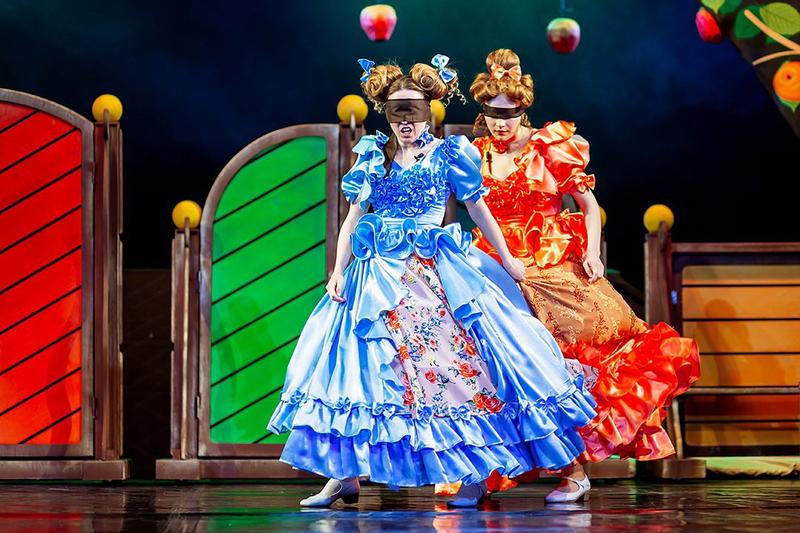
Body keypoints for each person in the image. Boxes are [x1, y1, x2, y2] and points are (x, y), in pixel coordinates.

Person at [267, 55, 597, 508]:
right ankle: (343, 474)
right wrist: (338, 270)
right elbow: (353, 218)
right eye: (397, 112)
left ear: (428, 112)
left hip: (431, 273)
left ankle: (473, 475)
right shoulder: (374, 155)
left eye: (414, 111)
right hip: (375, 277)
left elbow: (478, 208)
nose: (406, 122)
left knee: (453, 371)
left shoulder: (449, 154)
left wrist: (507, 259)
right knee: (357, 370)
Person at [437, 48, 700, 503]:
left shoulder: (549, 148)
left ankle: (574, 473)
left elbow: (589, 206)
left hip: (548, 261)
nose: (500, 123)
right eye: (492, 114)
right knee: (486, 366)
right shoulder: (475, 154)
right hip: (492, 266)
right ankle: (481, 472)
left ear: (523, 109)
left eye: (509, 114)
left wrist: (593, 252)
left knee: (558, 366)